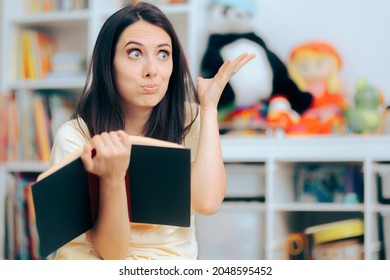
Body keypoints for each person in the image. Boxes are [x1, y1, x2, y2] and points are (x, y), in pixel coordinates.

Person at [48, 2, 255, 260]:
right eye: (135, 53)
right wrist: (112, 178)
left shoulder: (190, 119)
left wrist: (210, 108)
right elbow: (112, 255)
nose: (152, 70)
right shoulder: (75, 136)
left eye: (163, 54)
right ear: (107, 63)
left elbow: (208, 202)